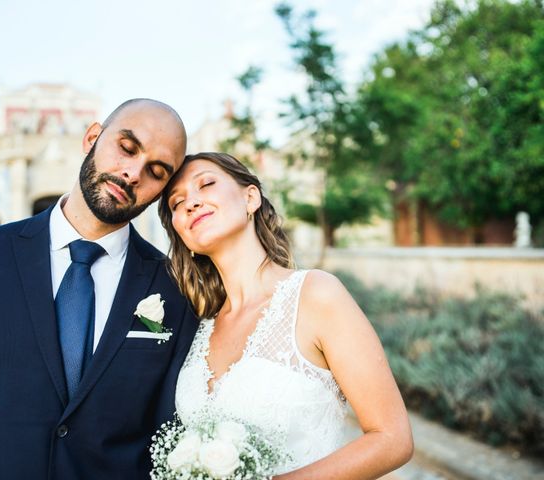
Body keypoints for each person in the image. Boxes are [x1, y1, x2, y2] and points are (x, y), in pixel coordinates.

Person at [0, 99, 199, 479]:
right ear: (92, 137)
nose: (132, 172)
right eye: (126, 148)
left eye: (156, 171)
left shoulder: (175, 288)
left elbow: (167, 436)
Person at [158, 152, 414, 478]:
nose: (190, 203)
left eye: (206, 184)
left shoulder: (316, 294)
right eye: (176, 203)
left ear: (251, 198)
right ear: (181, 233)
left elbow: (392, 439)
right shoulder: (197, 326)